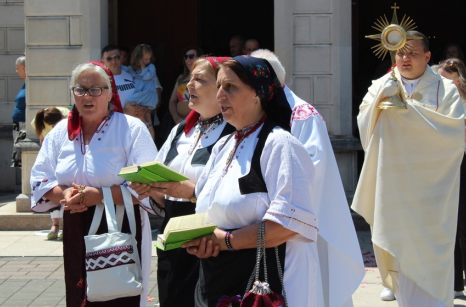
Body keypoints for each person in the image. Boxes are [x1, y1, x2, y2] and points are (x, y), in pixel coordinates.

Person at [183, 56, 318, 306]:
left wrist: (225, 241)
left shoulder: (280, 145)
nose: (220, 95)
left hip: (261, 288)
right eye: (219, 86)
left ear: (258, 93)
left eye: (230, 87)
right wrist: (200, 241)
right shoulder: (224, 144)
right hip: (215, 281)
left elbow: (288, 225)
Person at [30, 62, 158, 307]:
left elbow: (150, 184)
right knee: (81, 295)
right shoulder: (60, 133)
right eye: (80, 89)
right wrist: (66, 194)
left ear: (110, 93)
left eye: (96, 89)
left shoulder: (130, 129)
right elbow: (39, 179)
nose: (87, 96)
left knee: (120, 295)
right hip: (77, 223)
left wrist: (99, 196)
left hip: (122, 225)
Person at [352, 31, 465, 307]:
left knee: (430, 259)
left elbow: (456, 133)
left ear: (427, 57)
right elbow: (365, 130)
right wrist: (381, 101)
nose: (405, 58)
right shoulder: (380, 86)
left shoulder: (446, 89)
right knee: (399, 252)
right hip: (393, 188)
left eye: (412, 53)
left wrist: (407, 113)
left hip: (433, 193)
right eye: (401, 53)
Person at [251, 49, 365, 307]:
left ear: (274, 82)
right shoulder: (254, 115)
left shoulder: (302, 115)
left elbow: (312, 170)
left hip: (294, 226)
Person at [132, 57, 235, 307]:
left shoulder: (233, 132)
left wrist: (191, 192)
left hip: (209, 238)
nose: (189, 85)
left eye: (199, 79)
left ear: (221, 88)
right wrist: (150, 188)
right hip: (173, 232)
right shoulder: (180, 131)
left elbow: (233, 193)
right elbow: (164, 186)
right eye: (189, 79)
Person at [437, 58, 466, 298]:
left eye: (444, 78)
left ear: (457, 79)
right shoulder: (437, 101)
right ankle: (455, 283)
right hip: (443, 166)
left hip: (462, 163)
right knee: (449, 225)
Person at [31, 106, 70, 240]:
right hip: (51, 159)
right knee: (52, 192)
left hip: (64, 158)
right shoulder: (40, 119)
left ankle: (66, 226)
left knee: (66, 193)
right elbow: (42, 140)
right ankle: (55, 225)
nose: (53, 127)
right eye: (51, 125)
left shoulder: (66, 116)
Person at [124, 44, 159, 138]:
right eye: (145, 59)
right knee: (146, 117)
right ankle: (147, 128)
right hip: (141, 96)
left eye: (149, 59)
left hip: (147, 95)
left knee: (127, 103)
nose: (147, 61)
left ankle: (147, 130)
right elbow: (125, 69)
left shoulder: (150, 67)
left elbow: (147, 76)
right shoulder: (132, 69)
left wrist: (143, 66)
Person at [168, 46, 204, 124]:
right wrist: (176, 118)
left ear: (200, 58)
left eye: (191, 56)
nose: (188, 60)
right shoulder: (181, 78)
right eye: (186, 57)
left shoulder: (204, 77)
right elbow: (172, 101)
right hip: (179, 122)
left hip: (197, 120)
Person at [11, 55, 26, 168]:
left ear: (24, 68)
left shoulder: (31, 83)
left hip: (24, 126)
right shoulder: (26, 83)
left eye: (17, 68)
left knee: (23, 157)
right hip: (19, 125)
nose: (16, 71)